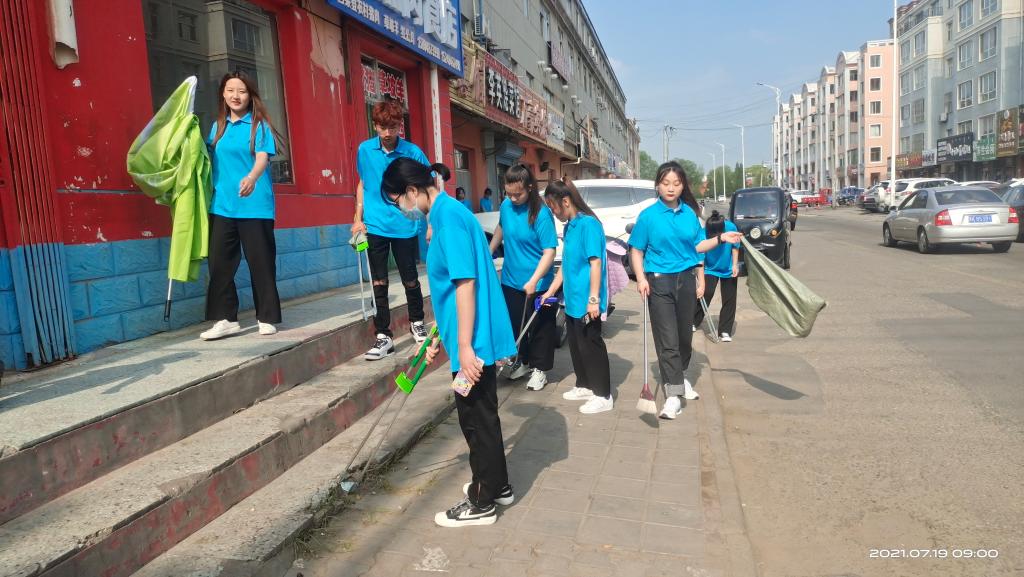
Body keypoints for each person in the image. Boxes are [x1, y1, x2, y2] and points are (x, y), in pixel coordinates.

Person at [381, 158, 517, 527]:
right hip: (469, 335)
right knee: (482, 414)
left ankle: (482, 502)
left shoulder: (448, 219)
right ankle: (498, 485)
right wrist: (439, 334)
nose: (401, 210)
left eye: (398, 201)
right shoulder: (448, 213)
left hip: (474, 342)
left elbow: (465, 284)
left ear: (412, 191)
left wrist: (467, 347)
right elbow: (452, 292)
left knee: (475, 419)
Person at [628, 162, 743, 419]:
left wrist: (721, 239)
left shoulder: (689, 215)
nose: (671, 188)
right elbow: (636, 250)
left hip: (686, 281)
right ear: (658, 185)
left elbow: (697, 246)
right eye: (666, 183)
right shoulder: (648, 216)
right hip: (659, 282)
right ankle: (673, 396)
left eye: (676, 184)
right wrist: (640, 279)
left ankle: (679, 376)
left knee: (684, 339)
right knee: (667, 339)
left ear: (683, 186)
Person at [201, 72, 282, 341]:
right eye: (230, 90)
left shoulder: (259, 126)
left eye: (242, 91)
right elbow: (206, 160)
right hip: (222, 205)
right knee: (219, 263)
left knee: (261, 263)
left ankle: (266, 317)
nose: (236, 96)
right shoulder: (218, 127)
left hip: (254, 206)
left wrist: (252, 177)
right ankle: (226, 319)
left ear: (250, 95)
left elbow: (262, 159)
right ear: (223, 94)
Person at [352, 100, 431, 360]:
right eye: (383, 127)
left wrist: (430, 223)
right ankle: (383, 336)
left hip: (405, 225)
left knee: (410, 279)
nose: (388, 133)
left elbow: (428, 188)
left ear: (400, 126)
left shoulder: (412, 152)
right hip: (375, 225)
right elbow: (363, 184)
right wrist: (357, 217)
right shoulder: (365, 150)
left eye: (393, 127)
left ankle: (417, 323)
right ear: (375, 125)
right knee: (379, 281)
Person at [539, 178, 613, 415]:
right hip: (572, 299)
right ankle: (585, 384)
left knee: (591, 345)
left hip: (587, 299)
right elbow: (566, 264)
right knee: (576, 345)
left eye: (553, 206)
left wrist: (594, 299)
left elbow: (595, 263)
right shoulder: (570, 226)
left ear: (565, 201)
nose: (553, 212)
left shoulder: (588, 225)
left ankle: (603, 394)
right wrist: (551, 290)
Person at [488, 165, 558, 390]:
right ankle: (523, 362)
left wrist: (534, 280)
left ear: (529, 188)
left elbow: (549, 251)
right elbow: (501, 229)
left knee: (539, 328)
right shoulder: (506, 206)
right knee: (516, 326)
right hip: (511, 280)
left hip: (538, 283)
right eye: (508, 193)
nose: (513, 198)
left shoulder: (541, 214)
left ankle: (540, 369)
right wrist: (488, 252)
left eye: (518, 194)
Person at [693, 210, 740, 342]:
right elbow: (700, 259)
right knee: (706, 293)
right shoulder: (702, 233)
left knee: (729, 298)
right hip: (710, 268)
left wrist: (735, 264)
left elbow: (735, 247)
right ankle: (693, 321)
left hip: (728, 267)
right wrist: (701, 284)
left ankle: (725, 330)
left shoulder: (730, 227)